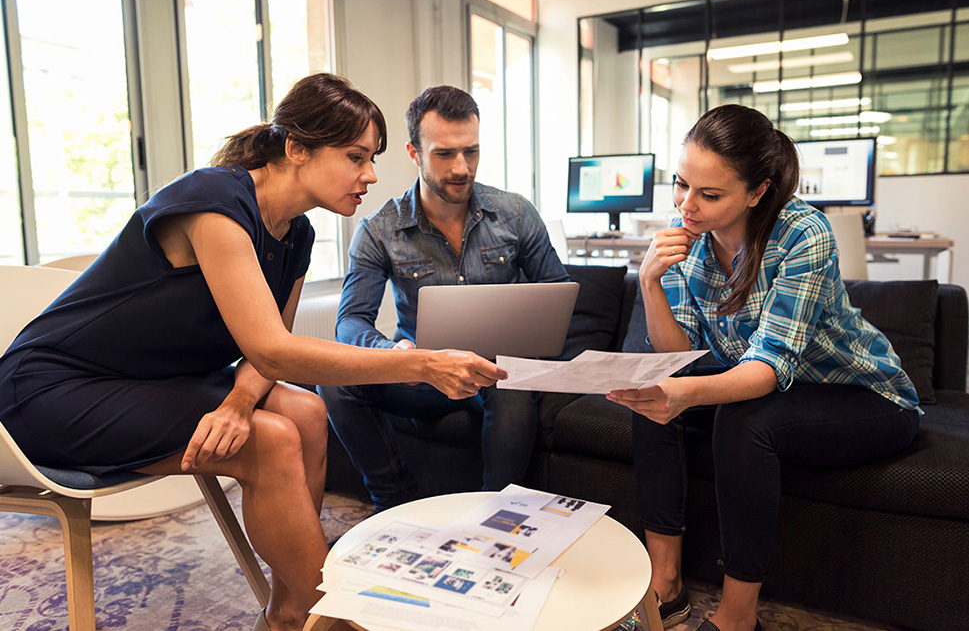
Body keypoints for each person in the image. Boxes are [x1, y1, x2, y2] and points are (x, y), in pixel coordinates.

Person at [0, 73, 505, 631]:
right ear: (297, 149)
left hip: (143, 383)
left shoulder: (297, 234)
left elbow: (266, 357)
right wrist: (423, 363)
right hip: (50, 390)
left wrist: (239, 403)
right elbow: (278, 351)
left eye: (373, 158)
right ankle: (341, 619)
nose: (371, 174)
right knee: (270, 443)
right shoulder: (212, 203)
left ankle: (289, 612)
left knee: (306, 412)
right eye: (356, 156)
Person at [606, 104, 921, 631]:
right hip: (767, 388)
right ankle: (666, 584)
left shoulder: (803, 233)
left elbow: (770, 366)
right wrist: (650, 284)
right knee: (649, 394)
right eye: (681, 185)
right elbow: (675, 356)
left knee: (743, 417)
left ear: (757, 192)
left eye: (709, 195)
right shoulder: (687, 236)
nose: (687, 205)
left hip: (862, 396)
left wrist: (688, 394)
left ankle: (737, 617)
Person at [320, 85, 569, 511]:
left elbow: (559, 292)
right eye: (444, 154)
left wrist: (538, 354)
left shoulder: (515, 213)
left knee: (508, 388)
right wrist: (394, 354)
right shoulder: (379, 230)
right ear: (414, 153)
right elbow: (351, 321)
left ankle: (499, 513)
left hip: (494, 372)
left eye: (470, 152)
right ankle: (393, 503)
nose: (461, 167)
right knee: (333, 378)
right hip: (421, 374)